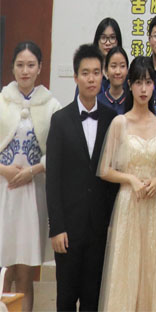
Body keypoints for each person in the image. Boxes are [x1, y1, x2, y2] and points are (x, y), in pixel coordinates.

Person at [97, 56, 156, 311]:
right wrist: (130, 179)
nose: (143, 89)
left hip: (153, 204)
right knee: (126, 265)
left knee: (152, 265)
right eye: (139, 82)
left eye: (148, 82)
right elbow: (105, 169)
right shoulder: (120, 123)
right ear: (130, 85)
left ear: (154, 86)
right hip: (128, 203)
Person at [46, 44, 117, 312]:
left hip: (98, 228)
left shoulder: (112, 120)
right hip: (68, 229)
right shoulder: (60, 120)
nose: (91, 78)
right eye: (85, 73)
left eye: (96, 72)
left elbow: (112, 176)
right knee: (65, 299)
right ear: (76, 77)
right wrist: (56, 227)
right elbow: (53, 179)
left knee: (92, 299)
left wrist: (110, 223)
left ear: (103, 76)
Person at [0, 42, 61, 312]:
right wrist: (4, 170)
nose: (25, 71)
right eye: (20, 65)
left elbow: (57, 151)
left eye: (31, 65)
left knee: (25, 270)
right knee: (4, 268)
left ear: (40, 68)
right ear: (12, 68)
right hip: (3, 191)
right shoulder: (2, 101)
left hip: (32, 193)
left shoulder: (51, 105)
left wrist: (32, 171)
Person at [92, 17, 122, 93]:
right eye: (103, 38)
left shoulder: (122, 72)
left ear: (118, 40)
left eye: (112, 38)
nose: (108, 43)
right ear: (97, 41)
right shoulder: (90, 70)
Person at [100, 47, 129, 115]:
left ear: (127, 70)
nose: (118, 72)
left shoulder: (132, 101)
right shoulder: (97, 101)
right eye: (113, 66)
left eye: (122, 66)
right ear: (106, 70)